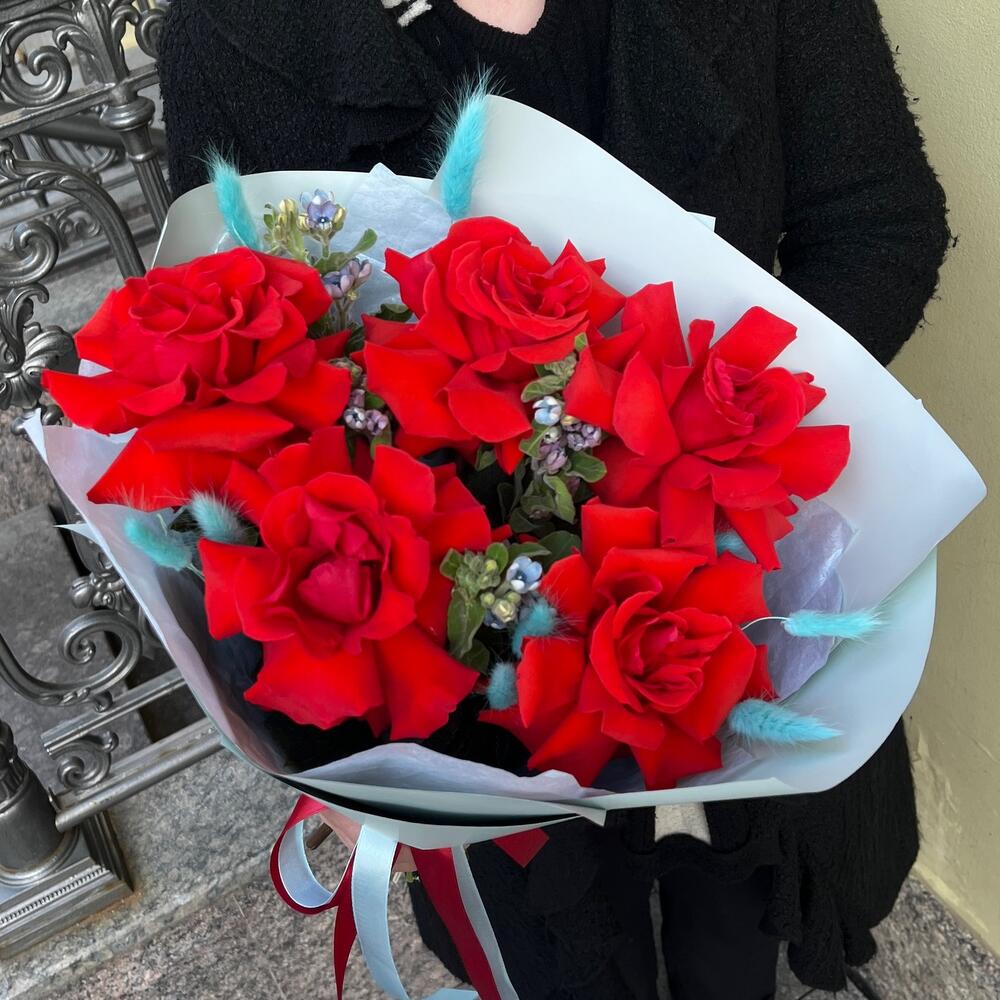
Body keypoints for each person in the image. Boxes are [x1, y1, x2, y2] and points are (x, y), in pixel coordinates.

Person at [158, 1, 949, 997]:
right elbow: (241, 384)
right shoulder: (235, 35)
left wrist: (707, 448)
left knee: (735, 914)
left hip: (730, 603)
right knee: (553, 947)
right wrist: (324, 736)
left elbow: (878, 223)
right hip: (460, 675)